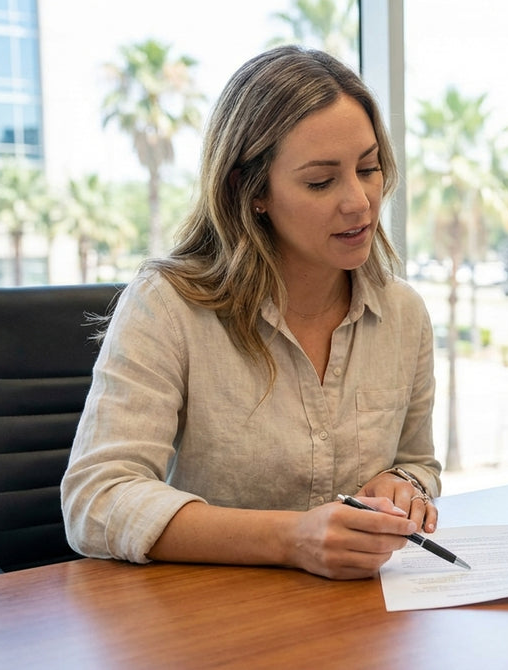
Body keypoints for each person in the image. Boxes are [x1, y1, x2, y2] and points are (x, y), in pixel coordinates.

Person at [62, 46, 442, 580]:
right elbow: (95, 499)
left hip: (357, 621)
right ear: (251, 189)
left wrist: (405, 485)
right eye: (320, 181)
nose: (359, 201)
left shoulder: (403, 312)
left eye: (369, 168)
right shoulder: (168, 303)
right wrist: (293, 539)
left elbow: (418, 461)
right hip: (213, 622)